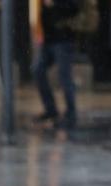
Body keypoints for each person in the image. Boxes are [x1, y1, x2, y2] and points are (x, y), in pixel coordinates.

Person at [30, 0, 81, 129]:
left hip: (64, 39)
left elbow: (75, 7)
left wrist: (55, 3)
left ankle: (71, 113)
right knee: (37, 69)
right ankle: (51, 109)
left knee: (65, 77)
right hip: (48, 39)